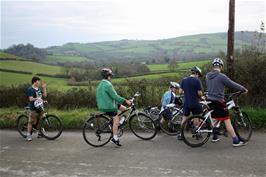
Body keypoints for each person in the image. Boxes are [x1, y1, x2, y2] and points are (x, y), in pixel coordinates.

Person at [206, 58, 248, 147]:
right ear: (221, 66)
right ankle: (236, 141)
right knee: (226, 120)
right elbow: (232, 83)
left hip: (209, 100)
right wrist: (243, 89)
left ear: (213, 66)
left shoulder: (208, 76)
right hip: (218, 101)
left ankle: (215, 136)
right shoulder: (221, 76)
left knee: (216, 118)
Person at [96, 68, 131, 146]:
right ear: (108, 76)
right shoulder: (108, 85)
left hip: (106, 103)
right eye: (111, 76)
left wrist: (123, 103)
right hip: (108, 106)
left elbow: (111, 97)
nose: (111, 77)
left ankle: (119, 124)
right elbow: (115, 96)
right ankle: (114, 138)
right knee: (116, 120)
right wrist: (126, 101)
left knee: (124, 109)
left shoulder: (101, 84)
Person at [177, 66, 203, 140]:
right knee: (197, 117)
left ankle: (181, 134)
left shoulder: (184, 80)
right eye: (199, 75)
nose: (198, 77)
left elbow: (180, 92)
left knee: (184, 118)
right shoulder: (197, 81)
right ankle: (196, 133)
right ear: (197, 73)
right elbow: (200, 93)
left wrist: (187, 92)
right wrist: (200, 95)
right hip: (195, 102)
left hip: (186, 103)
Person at [26, 76, 47, 141]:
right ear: (35, 81)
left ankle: (40, 133)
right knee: (31, 122)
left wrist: (44, 88)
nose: (39, 82)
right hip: (33, 108)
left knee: (41, 120)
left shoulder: (38, 89)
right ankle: (28, 135)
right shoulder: (30, 89)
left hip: (40, 107)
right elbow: (31, 99)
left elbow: (44, 96)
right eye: (38, 81)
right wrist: (37, 98)